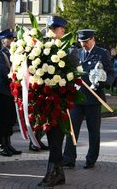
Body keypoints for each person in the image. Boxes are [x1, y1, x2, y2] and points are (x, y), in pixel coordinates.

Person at [62, 29, 115, 169]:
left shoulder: (101, 53)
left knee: (93, 131)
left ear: (92, 39)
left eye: (85, 41)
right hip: (76, 98)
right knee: (72, 130)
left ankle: (91, 159)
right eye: (81, 42)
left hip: (93, 98)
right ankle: (68, 158)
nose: (83, 44)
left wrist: (106, 82)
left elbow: (111, 72)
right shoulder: (76, 53)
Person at [38, 16, 80, 187]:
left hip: (61, 103)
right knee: (52, 139)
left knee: (56, 139)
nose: (55, 32)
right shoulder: (42, 49)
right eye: (52, 29)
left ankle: (50, 174)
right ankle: (59, 174)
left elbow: (75, 74)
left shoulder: (70, 50)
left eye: (57, 29)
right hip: (46, 100)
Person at [0, 29, 22, 157]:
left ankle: (8, 144)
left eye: (12, 38)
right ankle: (2, 145)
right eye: (8, 38)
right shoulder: (0, 54)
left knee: (10, 119)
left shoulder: (15, 54)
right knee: (2, 120)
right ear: (2, 40)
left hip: (12, 92)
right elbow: (3, 73)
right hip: (3, 91)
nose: (11, 40)